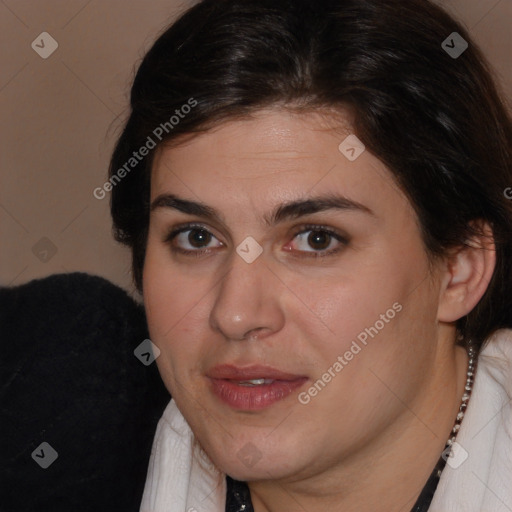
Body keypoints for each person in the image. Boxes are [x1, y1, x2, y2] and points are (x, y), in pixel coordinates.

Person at [108, 0, 512, 510]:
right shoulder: (73, 463)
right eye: (196, 237)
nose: (235, 314)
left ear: (459, 269)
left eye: (316, 239)